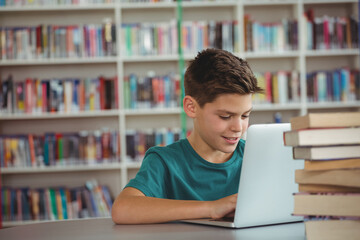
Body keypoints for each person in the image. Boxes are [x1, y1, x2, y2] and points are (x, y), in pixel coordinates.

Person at [111, 48, 263, 224]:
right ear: (191, 107)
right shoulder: (164, 162)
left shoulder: (255, 157)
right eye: (225, 116)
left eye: (245, 115)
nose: (239, 127)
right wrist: (211, 208)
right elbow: (122, 209)